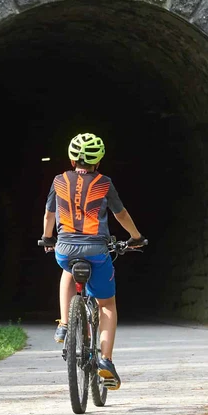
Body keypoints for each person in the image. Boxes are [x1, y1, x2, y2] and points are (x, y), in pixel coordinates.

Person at [41, 132, 144, 389]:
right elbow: (120, 214)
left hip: (64, 248)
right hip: (97, 251)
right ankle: (106, 361)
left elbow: (49, 214)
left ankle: (64, 324)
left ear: (71, 158)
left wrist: (47, 238)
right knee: (107, 304)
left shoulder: (58, 180)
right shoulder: (104, 183)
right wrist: (136, 237)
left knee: (67, 269)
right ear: (98, 161)